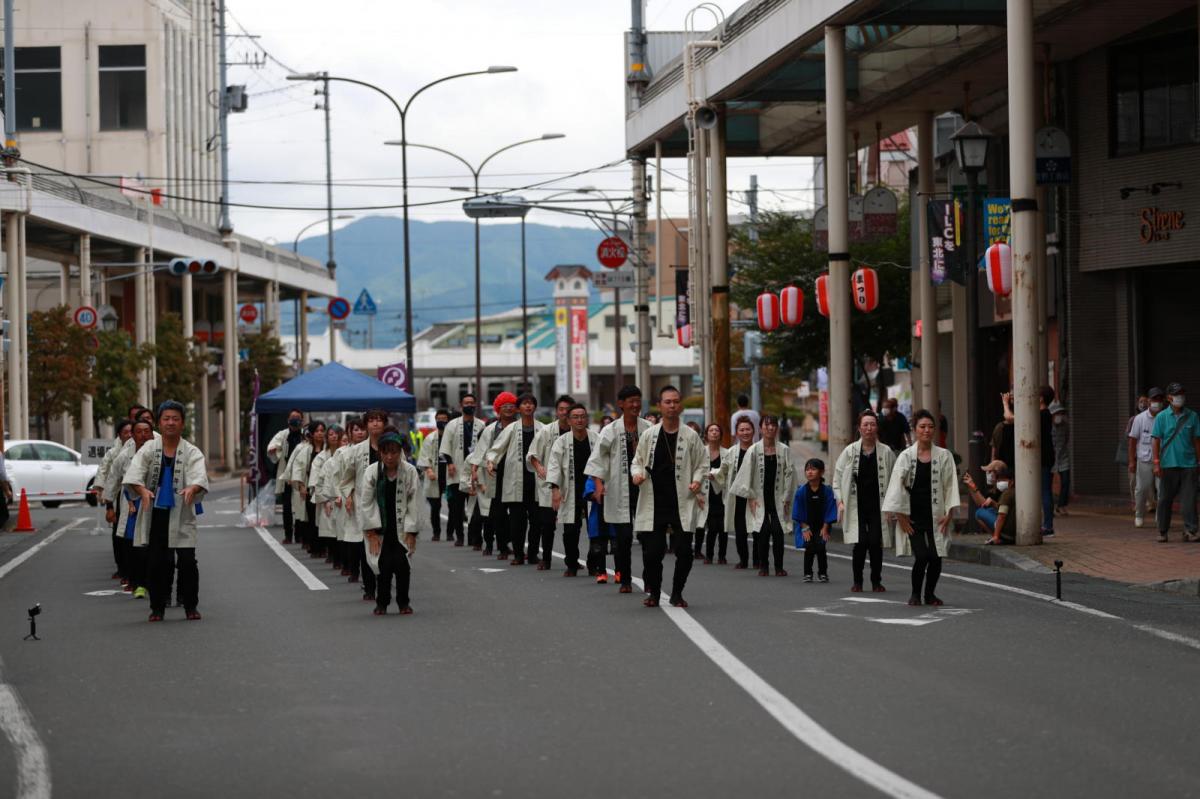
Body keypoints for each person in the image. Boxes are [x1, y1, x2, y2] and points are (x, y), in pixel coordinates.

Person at [124, 401, 209, 622]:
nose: (170, 423)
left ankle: (190, 605)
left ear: (182, 423)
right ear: (159, 423)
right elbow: (134, 474)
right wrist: (141, 490)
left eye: (175, 419)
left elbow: (199, 476)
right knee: (157, 562)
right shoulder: (149, 448)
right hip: (156, 513)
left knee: (188, 561)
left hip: (182, 512)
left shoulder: (191, 451)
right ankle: (157, 608)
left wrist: (193, 487)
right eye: (166, 418)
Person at [631, 385, 707, 608]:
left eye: (675, 401)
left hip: (682, 500)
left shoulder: (691, 436)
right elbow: (637, 461)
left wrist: (697, 478)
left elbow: (703, 463)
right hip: (655, 501)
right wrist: (637, 474)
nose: (672, 405)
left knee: (684, 551)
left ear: (680, 405)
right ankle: (654, 592)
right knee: (652, 552)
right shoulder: (649, 435)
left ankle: (676, 592)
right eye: (667, 402)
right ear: (659, 405)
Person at [884, 409, 961, 607]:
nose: (927, 430)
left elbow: (951, 485)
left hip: (936, 514)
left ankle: (930, 594)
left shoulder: (944, 456)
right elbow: (896, 486)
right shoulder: (906, 456)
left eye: (930, 427)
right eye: (922, 427)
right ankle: (915, 594)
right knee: (922, 555)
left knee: (936, 557)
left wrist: (949, 513)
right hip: (912, 515)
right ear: (915, 430)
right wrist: (900, 516)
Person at [585, 385, 652, 593]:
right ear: (621, 404)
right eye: (630, 401)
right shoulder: (610, 430)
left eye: (638, 400)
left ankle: (650, 579)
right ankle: (625, 579)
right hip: (618, 489)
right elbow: (597, 459)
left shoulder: (648, 428)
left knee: (648, 537)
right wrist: (598, 484)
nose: (635, 405)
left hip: (644, 488)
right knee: (623, 539)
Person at [833, 410, 896, 592]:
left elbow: (894, 479)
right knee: (859, 543)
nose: (869, 428)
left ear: (877, 428)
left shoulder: (886, 452)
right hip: (856, 505)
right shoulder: (850, 451)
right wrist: (840, 501)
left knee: (876, 542)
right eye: (865, 424)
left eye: (872, 424)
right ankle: (857, 581)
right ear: (859, 428)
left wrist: (893, 506)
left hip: (878, 505)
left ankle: (876, 581)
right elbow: (837, 478)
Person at [362, 431, 421, 615]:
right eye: (385, 452)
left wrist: (411, 531)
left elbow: (415, 502)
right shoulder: (372, 471)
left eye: (394, 452)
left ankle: (404, 602)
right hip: (380, 528)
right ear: (380, 452)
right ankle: (382, 603)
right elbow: (366, 502)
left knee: (402, 566)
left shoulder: (409, 471)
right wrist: (371, 532)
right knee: (383, 566)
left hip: (402, 527)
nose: (389, 456)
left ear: (400, 452)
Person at [731, 415, 797, 577]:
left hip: (778, 496)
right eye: (766, 425)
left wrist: (787, 496)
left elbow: (790, 474)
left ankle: (779, 566)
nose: (770, 428)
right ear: (761, 428)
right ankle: (764, 566)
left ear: (777, 428)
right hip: (759, 497)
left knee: (778, 530)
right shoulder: (754, 450)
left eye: (773, 425)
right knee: (762, 531)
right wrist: (750, 496)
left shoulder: (784, 450)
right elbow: (745, 474)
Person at [547, 403, 597, 577]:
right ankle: (572, 564)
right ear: (568, 420)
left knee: (595, 529)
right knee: (570, 531)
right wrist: (555, 489)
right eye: (575, 417)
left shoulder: (596, 439)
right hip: (570, 490)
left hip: (592, 490)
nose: (579, 420)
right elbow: (554, 466)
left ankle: (594, 563)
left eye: (582, 416)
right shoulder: (561, 442)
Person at [528, 395, 574, 568]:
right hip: (549, 483)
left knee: (571, 525)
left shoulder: (577, 430)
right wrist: (539, 466)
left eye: (567, 410)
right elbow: (532, 454)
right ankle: (546, 558)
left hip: (571, 484)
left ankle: (572, 560)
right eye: (561, 409)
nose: (564, 413)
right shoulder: (546, 431)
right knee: (547, 524)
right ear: (557, 411)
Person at [1151, 382, 1200, 543]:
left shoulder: (1192, 416)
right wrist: (1156, 462)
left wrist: (1198, 461)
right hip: (1168, 465)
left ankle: (1191, 530)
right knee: (1165, 499)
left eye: (1182, 393)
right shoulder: (1161, 417)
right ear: (1169, 398)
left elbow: (1196, 441)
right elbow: (1156, 440)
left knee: (1189, 500)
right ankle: (1162, 531)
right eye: (1177, 394)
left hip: (1189, 465)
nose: (1180, 397)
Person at [114, 418, 156, 600]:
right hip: (136, 504)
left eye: (147, 431)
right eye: (139, 432)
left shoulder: (160, 453)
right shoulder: (127, 456)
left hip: (157, 504)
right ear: (133, 435)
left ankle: (154, 583)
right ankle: (138, 583)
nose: (143, 435)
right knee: (136, 546)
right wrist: (128, 501)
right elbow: (124, 481)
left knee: (156, 547)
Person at [471, 393, 517, 558]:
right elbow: (480, 451)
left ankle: (513, 546)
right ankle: (501, 546)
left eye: (511, 405)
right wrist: (474, 471)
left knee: (517, 514)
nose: (508, 409)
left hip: (516, 474)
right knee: (497, 513)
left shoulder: (521, 426)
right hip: (494, 473)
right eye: (504, 406)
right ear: (498, 409)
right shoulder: (490, 430)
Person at [335, 418, 375, 600]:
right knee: (358, 541)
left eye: (362, 429)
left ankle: (377, 580)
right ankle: (360, 575)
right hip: (356, 501)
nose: (360, 432)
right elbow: (342, 478)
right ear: (349, 433)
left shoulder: (381, 448)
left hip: (377, 502)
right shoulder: (345, 453)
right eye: (355, 430)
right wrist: (346, 495)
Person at [440, 395, 486, 548]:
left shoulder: (481, 425)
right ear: (461, 405)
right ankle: (459, 536)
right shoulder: (452, 425)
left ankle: (474, 537)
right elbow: (445, 447)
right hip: (456, 471)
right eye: (467, 403)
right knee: (456, 508)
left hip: (475, 472)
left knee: (474, 508)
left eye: (472, 403)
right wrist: (450, 463)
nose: (470, 405)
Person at [718, 416, 758, 569]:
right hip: (738, 497)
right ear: (737, 433)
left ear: (753, 431)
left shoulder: (758, 450)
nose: (745, 432)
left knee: (757, 530)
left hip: (755, 497)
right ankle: (743, 559)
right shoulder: (731, 452)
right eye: (742, 430)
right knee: (741, 531)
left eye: (748, 429)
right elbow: (723, 471)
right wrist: (713, 475)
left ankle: (757, 560)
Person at [790, 458, 837, 582]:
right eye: (807, 469)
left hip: (822, 525)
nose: (809, 472)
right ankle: (808, 573)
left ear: (821, 472)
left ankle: (823, 573)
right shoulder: (801, 491)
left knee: (821, 548)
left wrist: (826, 526)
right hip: (807, 526)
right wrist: (804, 527)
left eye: (813, 469)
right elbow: (797, 510)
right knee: (809, 548)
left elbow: (830, 509)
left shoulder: (827, 491)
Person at [267, 409, 305, 544]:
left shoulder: (305, 435)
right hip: (286, 474)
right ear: (288, 420)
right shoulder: (283, 435)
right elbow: (273, 445)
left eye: (298, 417)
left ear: (302, 419)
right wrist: (273, 449)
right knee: (287, 506)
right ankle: (288, 535)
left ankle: (300, 535)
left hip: (301, 475)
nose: (295, 420)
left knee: (301, 505)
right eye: (293, 417)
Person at [1128, 388, 1165, 528]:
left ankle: (1159, 515)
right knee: (1141, 489)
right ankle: (1139, 514)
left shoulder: (1165, 418)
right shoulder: (1139, 419)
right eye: (1154, 400)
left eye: (1159, 400)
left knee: (1161, 489)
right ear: (1149, 401)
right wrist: (1132, 461)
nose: (1157, 403)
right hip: (1144, 460)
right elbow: (1132, 440)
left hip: (1162, 461)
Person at [284, 421, 322, 555]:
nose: (319, 433)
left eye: (322, 431)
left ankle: (327, 548)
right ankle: (314, 546)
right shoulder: (305, 450)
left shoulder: (328, 450)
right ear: (311, 434)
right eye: (317, 431)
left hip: (326, 488)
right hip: (309, 487)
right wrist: (300, 485)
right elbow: (298, 467)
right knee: (311, 518)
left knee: (326, 519)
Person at [312, 424, 344, 570]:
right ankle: (333, 555)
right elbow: (317, 479)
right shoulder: (321, 457)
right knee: (330, 529)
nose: (333, 436)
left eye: (336, 434)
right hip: (328, 497)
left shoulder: (345, 455)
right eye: (330, 434)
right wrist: (324, 499)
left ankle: (343, 559)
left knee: (343, 530)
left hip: (343, 496)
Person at [417, 409, 451, 542]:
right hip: (434, 476)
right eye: (439, 418)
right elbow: (424, 455)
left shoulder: (452, 437)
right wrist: (428, 469)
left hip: (450, 475)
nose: (442, 421)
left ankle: (450, 533)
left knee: (454, 506)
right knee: (435, 507)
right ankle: (436, 532)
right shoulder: (430, 438)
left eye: (444, 418)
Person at [963, 461, 1016, 545]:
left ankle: (998, 537)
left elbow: (1002, 515)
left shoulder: (1007, 493)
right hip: (1012, 530)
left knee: (979, 513)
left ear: (1011, 481)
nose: (988, 474)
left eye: (991, 471)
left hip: (1008, 533)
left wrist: (996, 536)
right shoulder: (1006, 490)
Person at [700, 423, 729, 564]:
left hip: (722, 493)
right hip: (706, 493)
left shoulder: (727, 453)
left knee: (723, 527)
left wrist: (717, 477)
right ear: (706, 435)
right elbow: (696, 471)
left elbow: (729, 474)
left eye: (717, 430)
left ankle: (722, 556)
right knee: (712, 527)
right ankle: (709, 555)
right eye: (711, 430)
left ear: (720, 435)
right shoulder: (701, 452)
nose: (714, 433)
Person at [1125, 394, 1151, 512]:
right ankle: (1135, 503)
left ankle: (1150, 503)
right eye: (1141, 402)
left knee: (1148, 481)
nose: (1143, 404)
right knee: (1133, 480)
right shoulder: (1134, 419)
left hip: (1148, 456)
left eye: (1145, 401)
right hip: (1135, 456)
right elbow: (1129, 438)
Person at [1038, 386, 1056, 538]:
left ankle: (1048, 526)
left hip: (1043, 456)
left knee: (1045, 491)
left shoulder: (1042, 414)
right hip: (1048, 455)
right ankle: (1047, 524)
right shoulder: (1047, 414)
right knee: (1046, 490)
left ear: (1042, 398)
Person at [1049, 401, 1070, 516]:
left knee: (1066, 480)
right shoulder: (1047, 426)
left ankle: (1062, 505)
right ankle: (1051, 506)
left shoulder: (1065, 425)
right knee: (1048, 483)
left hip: (1063, 456)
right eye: (1057, 413)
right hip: (1051, 457)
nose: (1059, 416)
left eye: (1061, 413)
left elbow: (1067, 438)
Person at [990, 392, 1016, 471]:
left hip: (1004, 469)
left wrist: (992, 469)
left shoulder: (1000, 427)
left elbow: (994, 453)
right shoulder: (1024, 424)